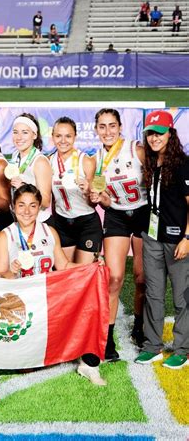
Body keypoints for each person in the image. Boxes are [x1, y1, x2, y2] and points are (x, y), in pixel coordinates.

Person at [0, 184, 106, 385]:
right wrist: (13, 271)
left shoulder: (49, 231)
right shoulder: (5, 236)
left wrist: (90, 268)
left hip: (48, 300)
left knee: (87, 299)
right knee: (25, 365)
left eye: (32, 206)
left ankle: (88, 363)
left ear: (39, 208)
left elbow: (62, 265)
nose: (27, 211)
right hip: (19, 305)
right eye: (21, 205)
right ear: (13, 207)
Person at [89, 108, 149, 360]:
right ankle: (108, 336)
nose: (107, 131)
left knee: (141, 277)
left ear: (120, 126)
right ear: (95, 130)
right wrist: (98, 197)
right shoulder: (96, 160)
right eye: (102, 126)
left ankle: (139, 327)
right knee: (113, 277)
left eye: (112, 125)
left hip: (144, 213)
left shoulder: (136, 149)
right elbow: (103, 202)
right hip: (117, 216)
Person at [135, 111, 188, 369]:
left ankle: (183, 349)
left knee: (182, 297)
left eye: (160, 132)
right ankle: (152, 346)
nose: (155, 138)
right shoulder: (150, 161)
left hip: (178, 240)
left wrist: (188, 237)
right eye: (151, 133)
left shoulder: (182, 164)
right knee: (154, 295)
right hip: (153, 237)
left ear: (171, 133)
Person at [49, 117, 102, 264]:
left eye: (68, 136)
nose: (63, 140)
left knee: (84, 273)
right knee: (65, 276)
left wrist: (87, 191)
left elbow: (94, 202)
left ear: (75, 137)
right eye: (58, 136)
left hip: (87, 223)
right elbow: (52, 199)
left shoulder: (86, 160)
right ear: (52, 137)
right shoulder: (49, 161)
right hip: (62, 223)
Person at [7, 113, 53, 224]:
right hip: (21, 220)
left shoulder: (40, 161)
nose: (19, 137)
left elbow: (46, 201)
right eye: (15, 132)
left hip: (39, 222)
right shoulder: (15, 156)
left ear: (34, 135)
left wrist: (22, 186)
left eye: (25, 132)